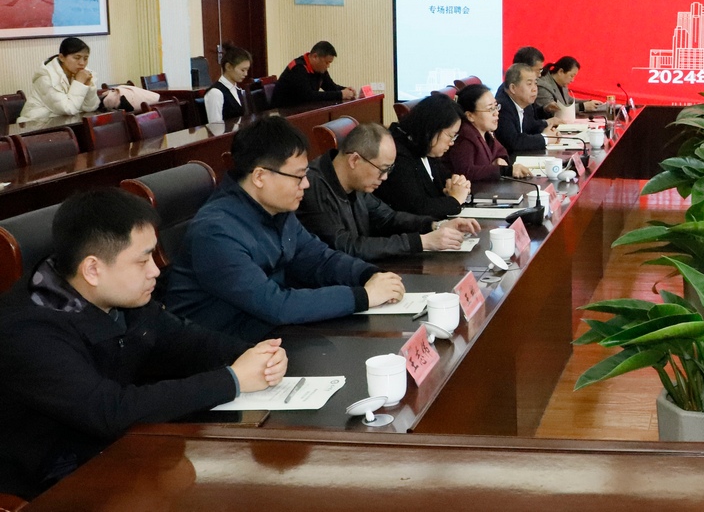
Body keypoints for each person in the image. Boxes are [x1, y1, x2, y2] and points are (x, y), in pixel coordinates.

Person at [0, 189, 287, 499]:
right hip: (46, 483)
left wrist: (254, 354)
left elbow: (187, 341)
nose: (156, 270)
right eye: (143, 260)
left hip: (117, 449)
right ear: (93, 269)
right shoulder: (27, 329)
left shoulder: (121, 297)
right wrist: (232, 380)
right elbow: (109, 410)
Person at [162, 116, 405, 340]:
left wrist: (369, 275)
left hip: (269, 336)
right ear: (260, 177)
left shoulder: (277, 210)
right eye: (298, 176)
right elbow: (276, 305)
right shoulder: (215, 232)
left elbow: (319, 259)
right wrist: (364, 296)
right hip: (224, 350)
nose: (306, 184)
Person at [299, 123, 482, 261]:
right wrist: (422, 242)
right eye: (382, 169)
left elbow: (388, 218)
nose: (385, 177)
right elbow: (346, 247)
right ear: (354, 160)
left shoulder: (357, 183)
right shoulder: (311, 187)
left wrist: (435, 225)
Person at [375, 94, 470, 218]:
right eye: (450, 136)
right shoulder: (397, 154)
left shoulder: (425, 147)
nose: (452, 142)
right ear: (431, 129)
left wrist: (458, 184)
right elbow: (415, 208)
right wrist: (455, 200)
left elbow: (445, 179)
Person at [450, 83, 534, 181]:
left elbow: (500, 151)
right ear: (470, 116)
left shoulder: (485, 131)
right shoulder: (464, 138)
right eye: (490, 109)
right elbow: (466, 172)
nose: (496, 113)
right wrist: (504, 170)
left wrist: (499, 159)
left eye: (496, 106)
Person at [17, 36, 101, 123]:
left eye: (85, 58)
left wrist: (87, 85)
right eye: (77, 58)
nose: (82, 63)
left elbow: (91, 107)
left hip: (63, 123)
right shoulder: (46, 78)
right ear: (61, 57)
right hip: (34, 125)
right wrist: (79, 83)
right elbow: (68, 109)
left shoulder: (80, 74)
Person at [274, 41, 355, 108]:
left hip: (302, 109)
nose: (328, 66)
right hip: (283, 111)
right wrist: (340, 94)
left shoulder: (319, 69)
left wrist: (346, 90)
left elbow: (330, 87)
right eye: (327, 62)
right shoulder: (298, 68)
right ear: (315, 57)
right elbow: (308, 96)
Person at [496, 63, 549, 154]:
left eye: (535, 83)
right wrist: (545, 138)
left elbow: (530, 127)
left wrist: (548, 130)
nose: (534, 89)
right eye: (529, 84)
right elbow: (513, 142)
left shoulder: (526, 105)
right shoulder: (503, 107)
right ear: (513, 88)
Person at [536, 56, 602, 115]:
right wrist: (582, 106)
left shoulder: (562, 84)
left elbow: (568, 100)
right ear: (561, 71)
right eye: (571, 76)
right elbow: (553, 110)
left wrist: (589, 102)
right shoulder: (543, 86)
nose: (572, 80)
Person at [203, 44, 252, 124]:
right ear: (228, 67)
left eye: (247, 70)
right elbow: (215, 126)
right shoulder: (216, 93)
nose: (246, 74)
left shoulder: (238, 90)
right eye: (242, 70)